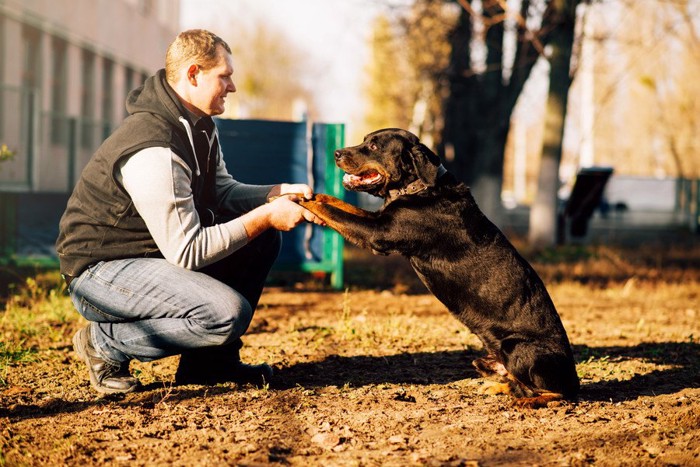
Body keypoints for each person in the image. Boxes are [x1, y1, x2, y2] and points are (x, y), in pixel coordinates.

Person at [56, 29, 321, 394]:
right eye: (224, 76)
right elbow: (188, 250)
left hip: (148, 257)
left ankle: (209, 365)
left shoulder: (199, 125)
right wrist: (265, 215)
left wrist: (276, 193)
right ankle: (104, 342)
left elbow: (223, 190)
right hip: (101, 272)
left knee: (262, 240)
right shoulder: (155, 145)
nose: (232, 87)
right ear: (193, 74)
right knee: (225, 315)